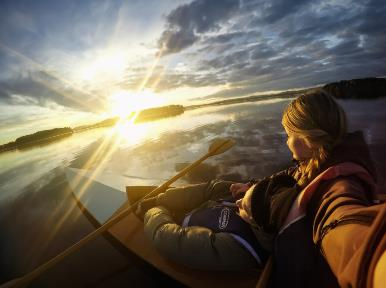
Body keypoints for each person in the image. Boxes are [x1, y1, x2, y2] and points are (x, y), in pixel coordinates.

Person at [137, 89, 386, 287]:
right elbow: (288, 177)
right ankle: (162, 198)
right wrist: (251, 187)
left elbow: (349, 232)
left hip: (258, 237)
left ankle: (155, 205)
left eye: (288, 134)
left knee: (188, 215)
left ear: (307, 139)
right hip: (259, 213)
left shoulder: (336, 190)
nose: (286, 141)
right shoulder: (316, 160)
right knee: (221, 187)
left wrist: (155, 211)